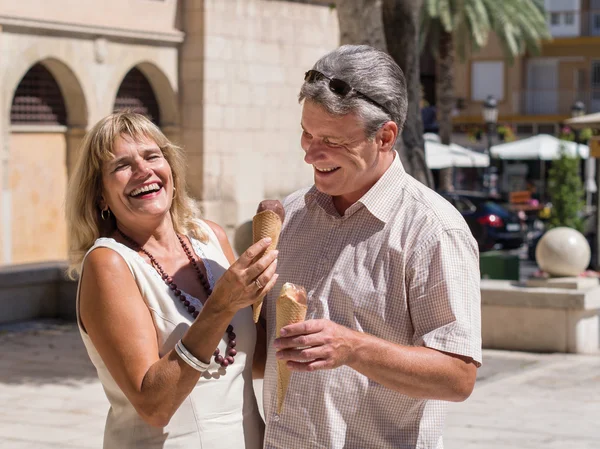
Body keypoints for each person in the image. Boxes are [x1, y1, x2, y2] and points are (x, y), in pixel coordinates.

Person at [262, 45, 482, 448]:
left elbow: (458, 377)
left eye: (331, 139)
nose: (311, 152)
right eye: (307, 133)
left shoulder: (433, 231)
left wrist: (353, 348)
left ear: (384, 136)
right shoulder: (291, 214)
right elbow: (265, 353)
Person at [65, 111, 277, 449]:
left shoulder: (210, 237)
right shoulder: (110, 263)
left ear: (171, 171)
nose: (143, 170)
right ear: (101, 196)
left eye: (152, 156)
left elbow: (253, 360)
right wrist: (221, 305)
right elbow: (154, 405)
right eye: (122, 165)